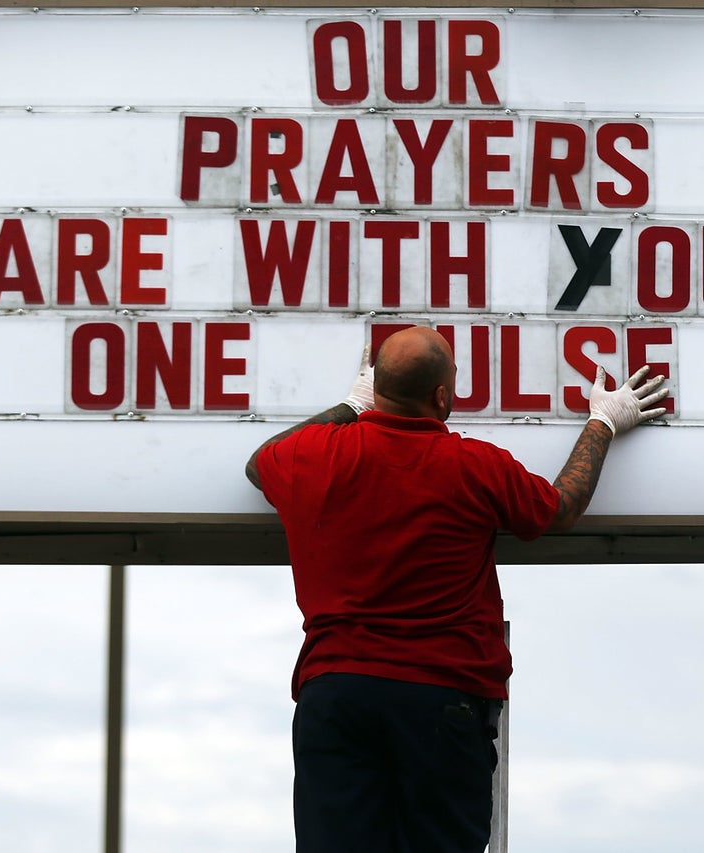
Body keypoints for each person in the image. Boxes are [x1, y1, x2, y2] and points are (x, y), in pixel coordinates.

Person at [246, 326, 668, 853]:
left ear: (375, 385)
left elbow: (260, 462)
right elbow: (560, 506)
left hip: (336, 694)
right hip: (443, 698)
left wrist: (350, 408)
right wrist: (604, 420)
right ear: (442, 397)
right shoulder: (475, 466)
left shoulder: (314, 456)